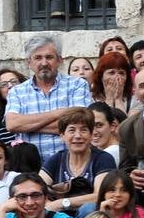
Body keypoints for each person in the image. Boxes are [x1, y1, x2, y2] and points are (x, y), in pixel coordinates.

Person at [7, 34, 92, 166]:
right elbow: (12, 124)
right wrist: (60, 113)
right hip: (30, 168)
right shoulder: (17, 91)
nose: (44, 63)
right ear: (28, 62)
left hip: (70, 165)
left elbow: (79, 124)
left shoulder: (77, 85)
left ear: (59, 60)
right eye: (38, 58)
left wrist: (27, 126)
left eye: (49, 57)